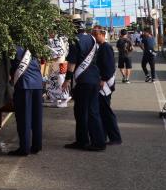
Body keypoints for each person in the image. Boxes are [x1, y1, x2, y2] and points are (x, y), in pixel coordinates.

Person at [63, 20, 105, 151]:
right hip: (94, 79)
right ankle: (98, 141)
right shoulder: (92, 39)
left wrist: (67, 79)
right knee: (93, 111)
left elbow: (72, 63)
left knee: (81, 112)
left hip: (83, 81)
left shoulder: (75, 40)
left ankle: (83, 141)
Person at [9, 45, 43, 156]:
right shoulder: (33, 46)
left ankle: (24, 149)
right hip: (38, 84)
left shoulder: (13, 47)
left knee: (24, 118)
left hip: (24, 85)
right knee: (36, 118)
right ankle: (37, 146)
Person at [93, 26, 122, 145]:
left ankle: (115, 137)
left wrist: (103, 79)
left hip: (105, 84)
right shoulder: (100, 48)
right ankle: (103, 135)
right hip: (101, 83)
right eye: (93, 34)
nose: (94, 37)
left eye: (96, 34)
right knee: (102, 111)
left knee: (106, 112)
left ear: (103, 34)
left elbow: (109, 66)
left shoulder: (106, 48)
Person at [44, 31, 70, 108]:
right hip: (54, 63)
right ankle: (54, 100)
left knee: (60, 81)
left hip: (59, 63)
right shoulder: (53, 39)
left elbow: (58, 53)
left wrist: (48, 57)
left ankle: (64, 100)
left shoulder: (58, 39)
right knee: (52, 82)